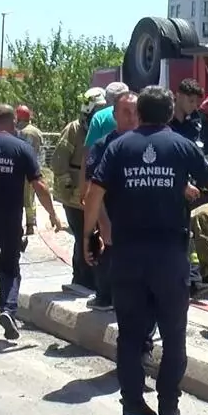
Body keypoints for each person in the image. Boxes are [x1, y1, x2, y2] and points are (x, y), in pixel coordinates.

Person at [84, 86, 208, 415]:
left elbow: (93, 193)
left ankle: (133, 405)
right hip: (169, 257)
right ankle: (168, 408)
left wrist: (87, 236)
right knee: (173, 332)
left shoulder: (118, 147)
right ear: (168, 114)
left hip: (127, 256)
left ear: (139, 113)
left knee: (131, 335)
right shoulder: (181, 146)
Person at [0, 105, 63, 343]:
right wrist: (52, 214)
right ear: (12, 122)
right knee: (10, 270)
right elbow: (39, 185)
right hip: (9, 222)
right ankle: (8, 311)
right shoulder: (22, 148)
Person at [83, 90, 139, 311]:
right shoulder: (102, 146)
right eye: (125, 112)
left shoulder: (147, 143)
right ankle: (104, 296)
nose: (131, 117)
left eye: (135, 112)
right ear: (114, 114)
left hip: (140, 217)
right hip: (113, 214)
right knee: (109, 255)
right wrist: (103, 221)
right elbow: (93, 189)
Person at [52, 87, 107, 294]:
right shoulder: (74, 129)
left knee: (95, 236)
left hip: (95, 193)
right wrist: (69, 184)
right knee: (83, 236)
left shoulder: (102, 128)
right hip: (75, 195)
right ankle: (82, 277)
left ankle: (91, 278)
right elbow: (58, 161)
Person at [171, 78, 208, 297]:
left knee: (186, 234)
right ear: (179, 96)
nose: (195, 106)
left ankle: (192, 280)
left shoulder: (192, 124)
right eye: (192, 100)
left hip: (187, 189)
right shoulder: (166, 124)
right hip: (169, 187)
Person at [16, 104, 45, 235]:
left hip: (17, 170)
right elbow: (41, 151)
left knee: (17, 198)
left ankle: (17, 224)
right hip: (33, 169)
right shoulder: (36, 132)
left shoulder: (14, 130)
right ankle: (30, 225)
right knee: (30, 199)